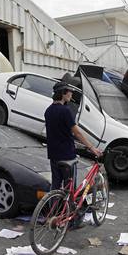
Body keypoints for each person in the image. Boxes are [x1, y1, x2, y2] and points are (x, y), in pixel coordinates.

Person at [44, 81, 102, 228]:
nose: (71, 94)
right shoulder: (65, 111)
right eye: (69, 91)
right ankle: (72, 221)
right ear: (63, 93)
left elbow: (58, 131)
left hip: (53, 155)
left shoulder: (48, 111)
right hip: (67, 156)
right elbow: (76, 132)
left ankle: (52, 215)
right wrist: (91, 148)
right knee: (71, 190)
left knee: (56, 187)